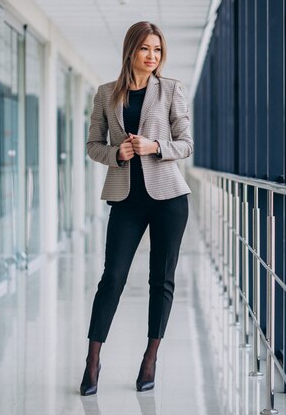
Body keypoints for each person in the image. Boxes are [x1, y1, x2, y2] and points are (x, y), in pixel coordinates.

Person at [80, 21, 193, 396]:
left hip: (169, 198)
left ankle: (150, 356)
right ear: (131, 50)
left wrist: (154, 146)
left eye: (158, 50)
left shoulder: (171, 90)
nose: (152, 56)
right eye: (145, 49)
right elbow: (93, 145)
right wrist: (118, 153)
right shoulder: (106, 93)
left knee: (161, 280)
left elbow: (186, 144)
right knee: (112, 277)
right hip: (126, 199)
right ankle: (93, 359)